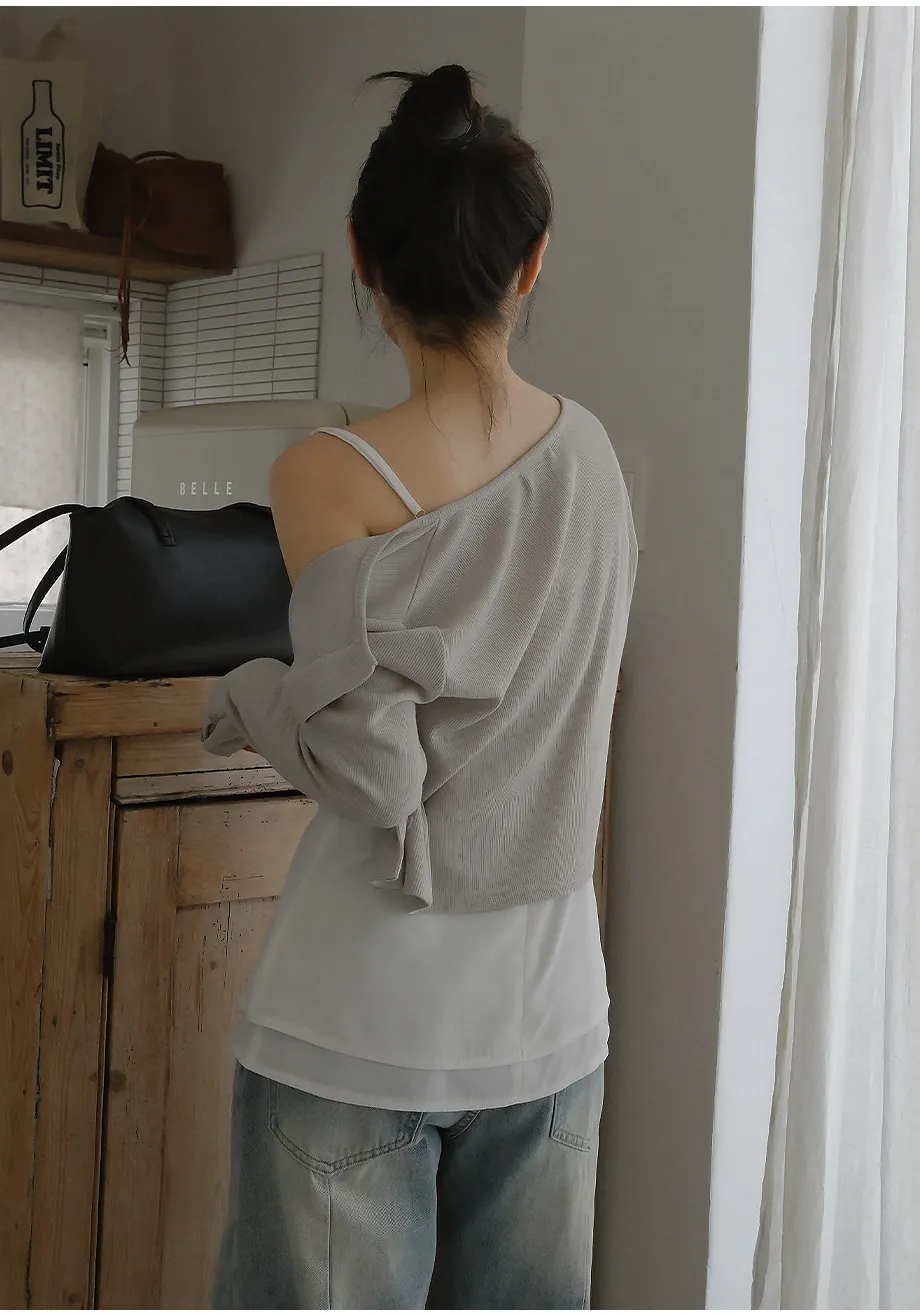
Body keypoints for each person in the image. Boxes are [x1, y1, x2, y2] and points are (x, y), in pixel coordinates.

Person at [204, 64, 637, 1311]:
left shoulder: (326, 473)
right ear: (531, 263)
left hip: (357, 1023)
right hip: (548, 1015)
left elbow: (371, 771)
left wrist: (248, 693)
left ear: (361, 256)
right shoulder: (594, 459)